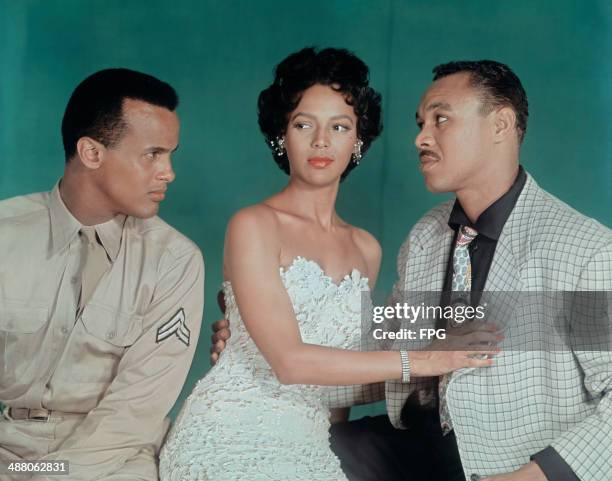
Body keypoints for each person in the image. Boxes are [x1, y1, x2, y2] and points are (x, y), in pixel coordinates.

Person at [213, 60, 612, 481]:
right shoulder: (426, 236)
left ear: (500, 125)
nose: (421, 138)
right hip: (414, 444)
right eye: (421, 123)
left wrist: (531, 477)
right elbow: (392, 352)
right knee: (284, 458)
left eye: (441, 119)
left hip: (513, 462)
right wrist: (255, 353)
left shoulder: (584, 250)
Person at [160, 48, 500, 481]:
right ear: (282, 135)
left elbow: (335, 392)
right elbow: (289, 362)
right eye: (304, 125)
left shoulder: (367, 249)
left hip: (311, 443)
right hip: (229, 430)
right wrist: (426, 358)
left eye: (339, 127)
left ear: (357, 140)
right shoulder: (253, 225)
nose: (322, 142)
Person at [0, 68, 204, 481]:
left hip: (113, 459)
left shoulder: (175, 261)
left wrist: (46, 474)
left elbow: (134, 411)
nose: (169, 172)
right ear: (92, 153)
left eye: (170, 154)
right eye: (153, 154)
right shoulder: (5, 233)